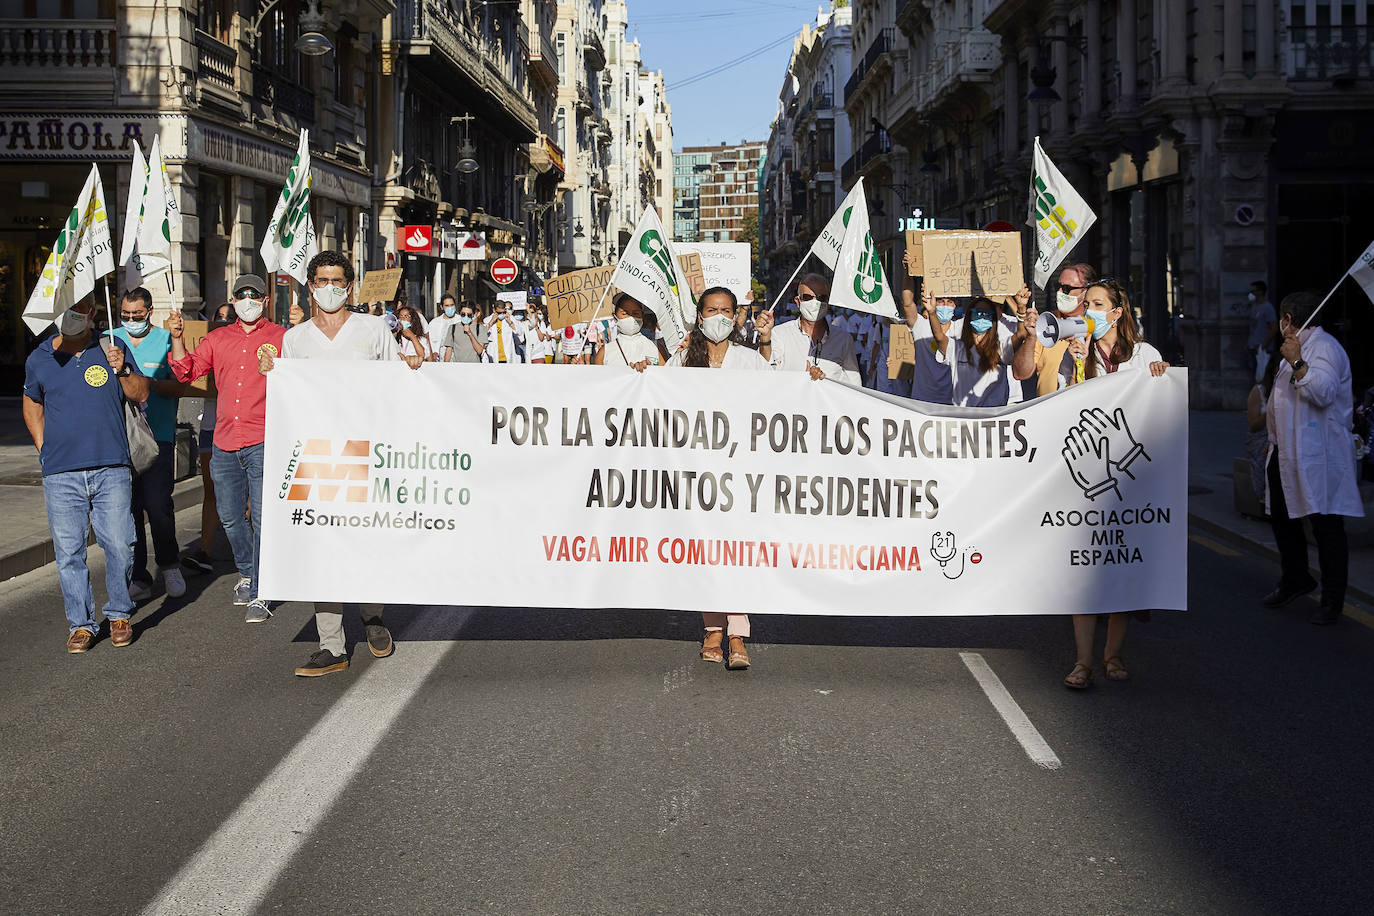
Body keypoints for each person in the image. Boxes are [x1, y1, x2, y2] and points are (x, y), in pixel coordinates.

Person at [261, 250, 421, 676]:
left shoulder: (372, 329)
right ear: (310, 286)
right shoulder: (295, 339)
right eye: (321, 281)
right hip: (318, 457)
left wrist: (414, 366)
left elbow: (397, 382)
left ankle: (372, 617)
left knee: (367, 540)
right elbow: (288, 395)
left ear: (349, 287)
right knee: (322, 546)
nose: (330, 289)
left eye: (337, 281)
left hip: (368, 452)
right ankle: (331, 644)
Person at [1052, 280, 1170, 688]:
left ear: (1117, 313)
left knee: (1119, 567)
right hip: (1087, 477)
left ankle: (1112, 655)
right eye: (1086, 304)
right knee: (1083, 570)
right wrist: (1078, 367)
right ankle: (1083, 661)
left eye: (1097, 305)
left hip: (1130, 477)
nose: (1089, 311)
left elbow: (1159, 405)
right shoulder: (1078, 353)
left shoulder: (1144, 355)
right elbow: (1064, 407)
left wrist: (1161, 377)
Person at [23, 297, 150, 652]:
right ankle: (81, 623)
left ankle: (119, 613)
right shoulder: (39, 358)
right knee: (69, 553)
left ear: (92, 312)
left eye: (77, 308)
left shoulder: (112, 346)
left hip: (111, 466)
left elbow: (140, 393)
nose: (69, 315)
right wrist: (43, 447)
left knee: (121, 545)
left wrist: (122, 369)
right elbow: (32, 402)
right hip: (61, 473)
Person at [168, 273, 285, 624]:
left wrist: (281, 367)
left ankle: (262, 591)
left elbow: (307, 377)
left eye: (255, 295)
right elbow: (186, 371)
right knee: (232, 518)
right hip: (224, 440)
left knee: (263, 519)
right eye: (241, 295)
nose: (248, 300)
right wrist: (176, 338)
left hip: (264, 438)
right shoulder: (218, 338)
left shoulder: (282, 337)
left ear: (265, 300)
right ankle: (248, 572)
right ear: (232, 301)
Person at [667, 286, 773, 669]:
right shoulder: (681, 360)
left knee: (738, 553)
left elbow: (779, 402)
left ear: (735, 316)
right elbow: (656, 406)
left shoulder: (750, 361)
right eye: (711, 310)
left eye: (726, 311)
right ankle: (713, 628)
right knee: (706, 554)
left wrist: (808, 381)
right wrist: (642, 376)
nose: (719, 317)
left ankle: (737, 633)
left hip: (740, 476)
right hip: (695, 474)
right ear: (699, 316)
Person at [1262, 291, 1363, 625]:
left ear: (1288, 320)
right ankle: (1296, 578)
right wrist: (1272, 438)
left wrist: (1297, 362)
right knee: (1282, 517)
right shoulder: (1294, 348)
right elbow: (1281, 401)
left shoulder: (1324, 348)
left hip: (1317, 455)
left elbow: (1323, 392)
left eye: (1281, 320)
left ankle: (1333, 599)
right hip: (1285, 452)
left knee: (1326, 526)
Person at [112, 286, 186, 601]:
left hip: (158, 437)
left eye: (137, 314)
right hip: (120, 439)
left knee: (158, 506)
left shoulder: (165, 339)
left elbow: (181, 383)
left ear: (150, 311)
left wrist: (148, 384)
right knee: (130, 510)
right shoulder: (110, 340)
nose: (131, 320)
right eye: (126, 315)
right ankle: (139, 576)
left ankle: (169, 565)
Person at [182, 302, 233, 575]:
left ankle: (252, 554)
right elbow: (188, 370)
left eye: (230, 318)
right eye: (219, 317)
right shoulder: (210, 345)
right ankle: (205, 550)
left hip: (243, 428)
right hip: (212, 427)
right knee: (211, 491)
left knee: (247, 496)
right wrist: (179, 338)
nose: (224, 321)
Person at [925, 289, 1028, 408]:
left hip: (994, 417)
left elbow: (1020, 335)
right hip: (964, 417)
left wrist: (1021, 308)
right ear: (969, 316)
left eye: (986, 314)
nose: (981, 317)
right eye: (977, 312)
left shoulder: (1000, 349)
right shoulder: (957, 348)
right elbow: (939, 337)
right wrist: (932, 312)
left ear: (992, 319)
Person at [1012, 262, 1098, 396]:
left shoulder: (1099, 325)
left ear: (1086, 292)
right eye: (1057, 286)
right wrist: (1032, 337)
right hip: (1049, 412)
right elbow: (1020, 373)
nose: (1059, 292)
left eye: (1066, 288)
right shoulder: (1046, 325)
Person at [767, 274, 858, 384]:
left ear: (828, 302)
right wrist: (764, 339)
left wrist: (825, 382)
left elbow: (854, 385)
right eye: (807, 297)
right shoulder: (780, 334)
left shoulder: (843, 340)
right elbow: (765, 371)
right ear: (798, 301)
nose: (815, 303)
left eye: (821, 298)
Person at [594, 293, 669, 370]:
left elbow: (664, 377)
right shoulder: (604, 353)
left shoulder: (657, 348)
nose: (631, 318)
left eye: (635, 313)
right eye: (625, 313)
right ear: (614, 317)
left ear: (642, 316)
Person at [1247, 280, 1277, 384]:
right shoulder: (1253, 306)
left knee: (1264, 376)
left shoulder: (1268, 308)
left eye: (1253, 291)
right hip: (1253, 347)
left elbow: (1274, 328)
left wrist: (1263, 346)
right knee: (1255, 376)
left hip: (1263, 349)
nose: (1251, 293)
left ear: (1260, 292)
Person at [483, 297, 527, 364]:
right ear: (494, 310)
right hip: (493, 356)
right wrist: (491, 322)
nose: (502, 315)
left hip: (508, 357)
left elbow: (520, 334)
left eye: (504, 312)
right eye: (499, 313)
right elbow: (483, 335)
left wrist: (510, 323)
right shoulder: (487, 320)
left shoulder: (510, 318)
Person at [428, 293, 459, 362]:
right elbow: (429, 341)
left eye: (452, 305)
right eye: (447, 306)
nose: (450, 308)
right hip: (439, 360)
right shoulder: (434, 323)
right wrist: (434, 352)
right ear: (442, 307)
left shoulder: (460, 320)